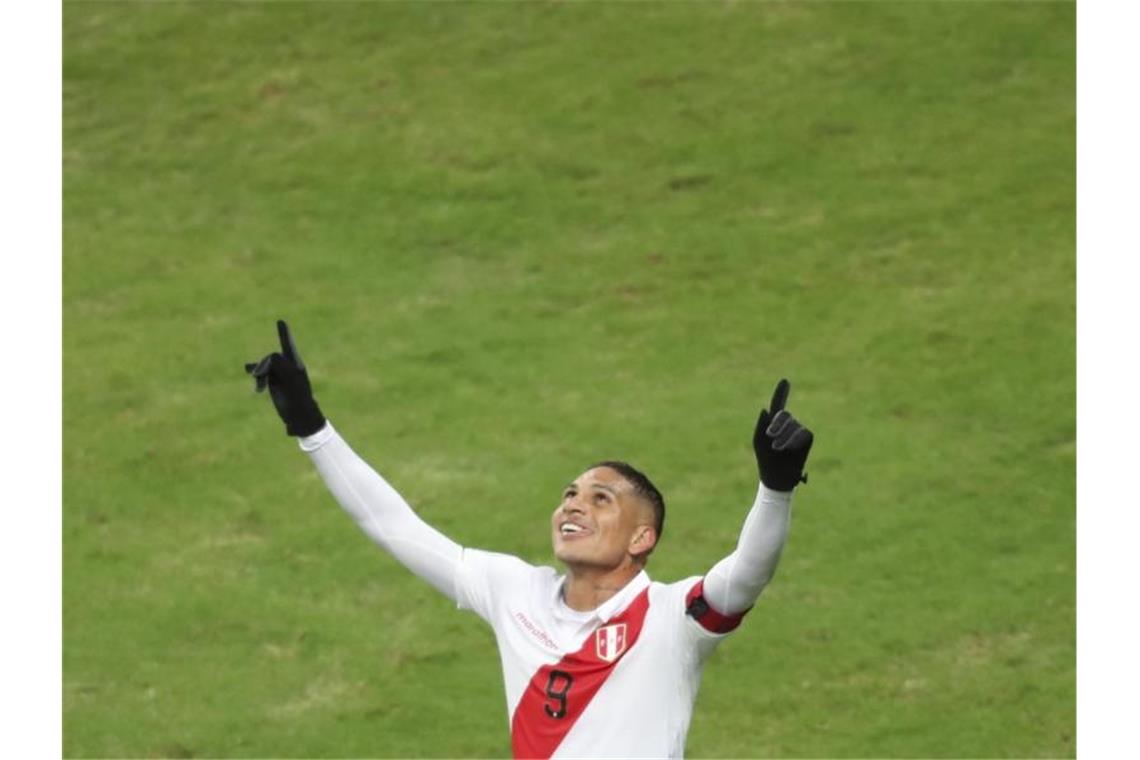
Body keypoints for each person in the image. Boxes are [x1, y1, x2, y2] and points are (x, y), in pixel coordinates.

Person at [246, 320, 815, 759]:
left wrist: (776, 487)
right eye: (570, 494)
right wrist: (310, 425)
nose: (573, 504)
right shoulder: (514, 591)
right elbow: (394, 526)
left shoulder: (673, 616)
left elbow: (747, 574)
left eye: (600, 498)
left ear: (643, 537)